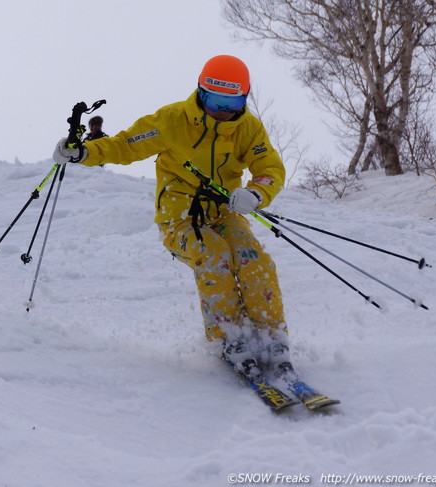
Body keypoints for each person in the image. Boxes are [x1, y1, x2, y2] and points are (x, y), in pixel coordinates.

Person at [53, 54, 291, 379]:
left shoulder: (247, 128)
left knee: (254, 259)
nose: (222, 110)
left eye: (231, 101)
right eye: (215, 99)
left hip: (224, 212)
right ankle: (230, 340)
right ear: (201, 93)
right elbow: (125, 145)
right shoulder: (172, 120)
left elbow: (269, 168)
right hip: (178, 217)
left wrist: (256, 193)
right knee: (213, 254)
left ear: (244, 99)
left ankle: (271, 339)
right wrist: (84, 152)